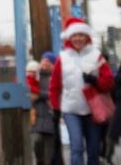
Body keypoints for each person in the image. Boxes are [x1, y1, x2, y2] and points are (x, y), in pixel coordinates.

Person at [49, 17, 115, 165]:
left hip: (93, 110)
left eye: (81, 35)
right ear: (69, 37)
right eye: (75, 35)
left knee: (93, 150)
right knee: (76, 147)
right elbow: (54, 85)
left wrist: (95, 81)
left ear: (87, 36)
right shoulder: (63, 57)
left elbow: (109, 82)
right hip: (71, 109)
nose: (78, 38)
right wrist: (55, 108)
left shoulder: (96, 55)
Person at [32, 53, 58, 165]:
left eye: (49, 61)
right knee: (36, 140)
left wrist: (40, 95)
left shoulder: (55, 78)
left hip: (50, 115)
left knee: (49, 146)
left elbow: (55, 93)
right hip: (37, 114)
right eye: (44, 60)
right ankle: (39, 161)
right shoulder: (34, 76)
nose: (45, 63)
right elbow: (29, 92)